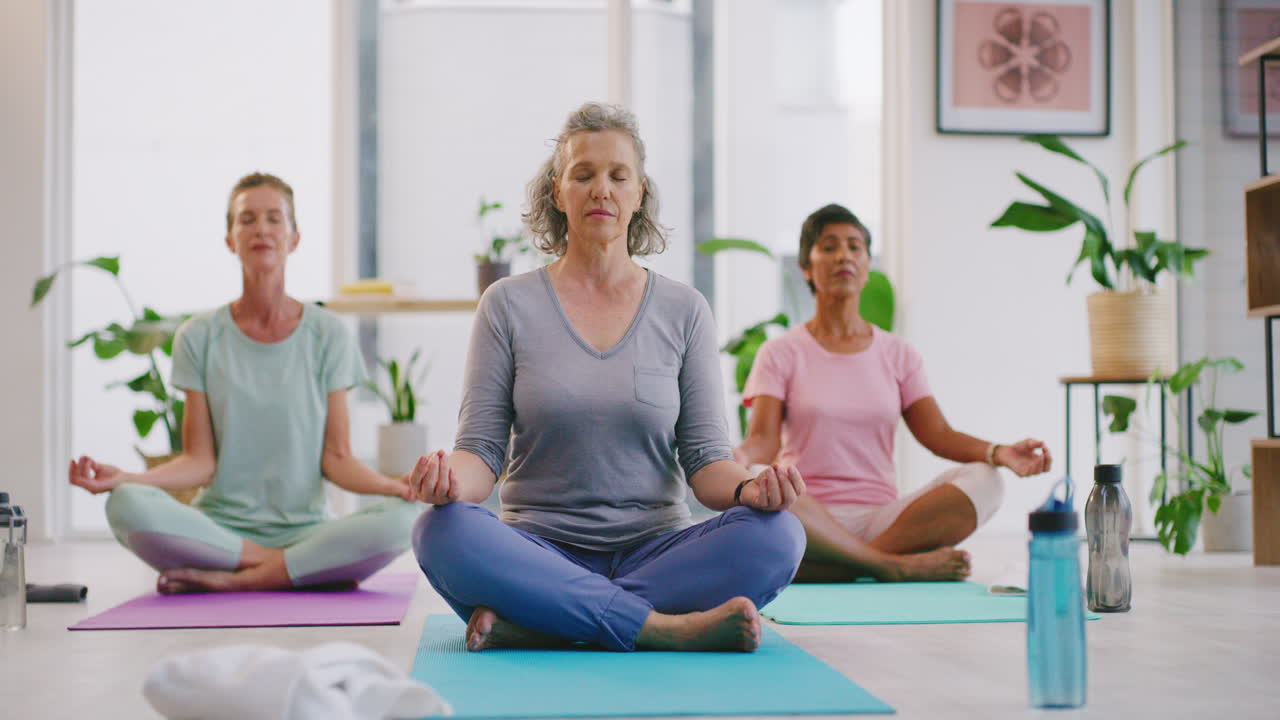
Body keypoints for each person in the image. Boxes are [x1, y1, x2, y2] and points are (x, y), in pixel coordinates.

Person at [409, 103, 806, 653]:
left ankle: (548, 619)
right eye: (583, 174)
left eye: (618, 176)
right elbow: (479, 452)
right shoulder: (506, 305)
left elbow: (707, 462)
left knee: (780, 535)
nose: (602, 189)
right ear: (557, 191)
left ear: (639, 192)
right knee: (439, 531)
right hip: (538, 548)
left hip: (657, 551)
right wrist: (448, 480)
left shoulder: (684, 309)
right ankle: (660, 629)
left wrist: (748, 487)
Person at [68, 172, 421, 594]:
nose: (261, 230)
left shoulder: (328, 334)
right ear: (230, 240)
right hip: (221, 532)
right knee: (125, 503)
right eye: (247, 219)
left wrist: (395, 486)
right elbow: (200, 461)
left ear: (294, 238)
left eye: (275, 218)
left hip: (306, 531)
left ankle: (240, 579)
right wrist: (124, 477)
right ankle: (278, 568)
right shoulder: (199, 336)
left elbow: (338, 459)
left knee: (406, 518)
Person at [735, 203, 1052, 582]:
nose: (844, 257)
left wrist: (999, 452)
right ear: (806, 266)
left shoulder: (898, 354)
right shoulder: (780, 352)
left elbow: (937, 434)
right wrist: (733, 458)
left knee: (986, 480)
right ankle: (893, 566)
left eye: (855, 247)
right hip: (806, 515)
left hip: (883, 521)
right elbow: (763, 441)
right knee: (755, 474)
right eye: (829, 246)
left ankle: (844, 564)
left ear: (868, 266)